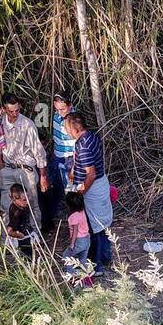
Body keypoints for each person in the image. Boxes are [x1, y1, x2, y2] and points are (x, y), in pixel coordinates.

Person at [64, 112, 114, 276]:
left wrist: (80, 193)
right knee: (102, 226)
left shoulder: (83, 146)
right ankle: (106, 257)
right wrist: (74, 169)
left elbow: (90, 173)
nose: (65, 130)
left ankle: (96, 266)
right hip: (99, 185)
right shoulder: (90, 137)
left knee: (94, 228)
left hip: (92, 189)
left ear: (74, 128)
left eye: (66, 127)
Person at [0, 92, 47, 232]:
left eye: (17, 110)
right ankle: (7, 240)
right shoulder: (0, 124)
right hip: (8, 168)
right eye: (11, 111)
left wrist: (42, 177)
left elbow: (39, 152)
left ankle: (36, 236)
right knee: (6, 206)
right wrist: (2, 169)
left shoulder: (27, 124)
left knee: (32, 203)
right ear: (4, 109)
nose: (15, 113)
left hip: (26, 169)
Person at [43, 89, 76, 234]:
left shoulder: (74, 119)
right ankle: (49, 221)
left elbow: (78, 145)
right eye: (57, 109)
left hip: (70, 160)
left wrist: (74, 167)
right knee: (53, 189)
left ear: (70, 105)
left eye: (62, 109)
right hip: (56, 157)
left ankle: (75, 228)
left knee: (71, 194)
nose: (60, 112)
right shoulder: (56, 116)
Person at [62, 191, 93, 289]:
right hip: (87, 239)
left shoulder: (73, 216)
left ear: (69, 205)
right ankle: (87, 282)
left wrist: (72, 244)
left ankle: (73, 277)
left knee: (66, 256)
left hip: (79, 241)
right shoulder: (82, 211)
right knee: (83, 261)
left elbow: (75, 230)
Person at [4, 183, 36, 255]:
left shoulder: (22, 206)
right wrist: (17, 235)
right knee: (26, 255)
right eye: (24, 200)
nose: (27, 202)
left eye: (27, 198)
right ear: (14, 199)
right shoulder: (16, 212)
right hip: (22, 238)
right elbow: (9, 230)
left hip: (27, 233)